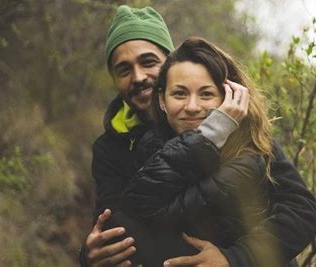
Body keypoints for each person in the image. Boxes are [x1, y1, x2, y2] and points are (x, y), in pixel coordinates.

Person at [79, 5, 316, 267]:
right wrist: (89, 257)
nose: (138, 77)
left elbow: (300, 210)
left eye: (148, 62)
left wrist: (233, 258)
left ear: (169, 63)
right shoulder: (112, 146)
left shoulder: (240, 131)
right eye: (123, 70)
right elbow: (116, 226)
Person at [116, 37, 285, 266]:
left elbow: (301, 213)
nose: (193, 107)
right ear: (162, 100)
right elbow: (128, 218)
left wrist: (232, 258)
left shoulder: (249, 156)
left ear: (228, 99)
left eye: (206, 94)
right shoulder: (149, 147)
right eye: (179, 94)